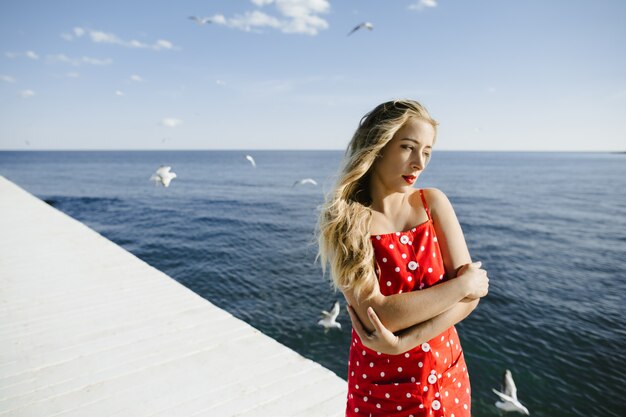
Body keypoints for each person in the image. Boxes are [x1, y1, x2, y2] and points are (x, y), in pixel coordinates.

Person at [316, 99, 489, 416]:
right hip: (381, 389)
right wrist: (462, 284)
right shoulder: (345, 220)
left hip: (445, 375)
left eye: (426, 152)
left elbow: (472, 300)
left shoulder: (432, 202)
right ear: (378, 146)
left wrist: (403, 343)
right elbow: (379, 316)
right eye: (408, 147)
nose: (419, 163)